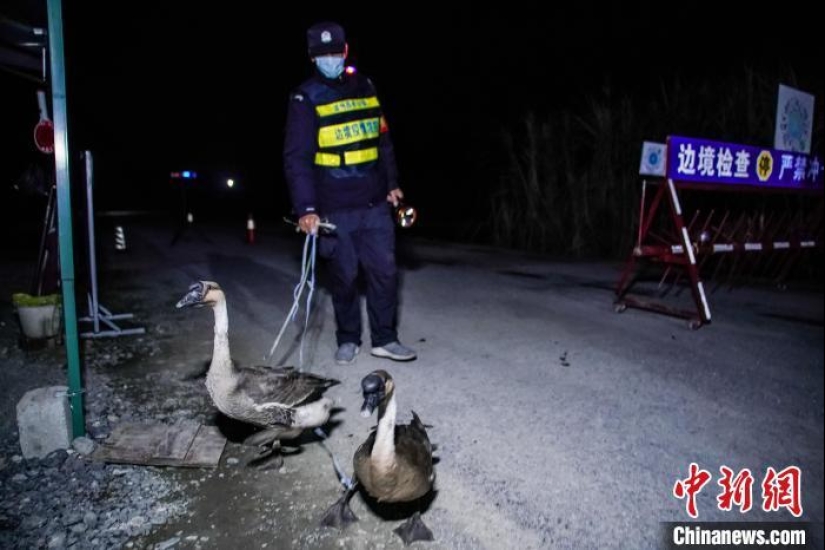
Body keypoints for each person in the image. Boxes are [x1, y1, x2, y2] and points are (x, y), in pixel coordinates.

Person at [283, 21, 416, 366]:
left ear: (345, 51)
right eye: (322, 54)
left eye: (334, 51)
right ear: (312, 57)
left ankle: (385, 339)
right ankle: (348, 339)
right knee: (344, 277)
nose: (330, 58)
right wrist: (306, 208)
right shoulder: (304, 97)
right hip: (333, 207)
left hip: (374, 202)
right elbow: (297, 159)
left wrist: (392, 183)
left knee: (385, 272)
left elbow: (382, 141)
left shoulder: (366, 87)